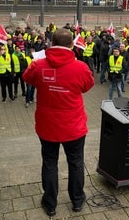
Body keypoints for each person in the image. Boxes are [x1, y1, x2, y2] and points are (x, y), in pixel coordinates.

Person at [22, 29, 94, 217]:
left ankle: (50, 203)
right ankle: (77, 201)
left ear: (51, 44)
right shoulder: (81, 67)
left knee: (49, 163)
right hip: (74, 127)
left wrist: (35, 64)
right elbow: (87, 86)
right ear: (72, 45)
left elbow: (27, 78)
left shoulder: (38, 65)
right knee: (76, 163)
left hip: (48, 127)